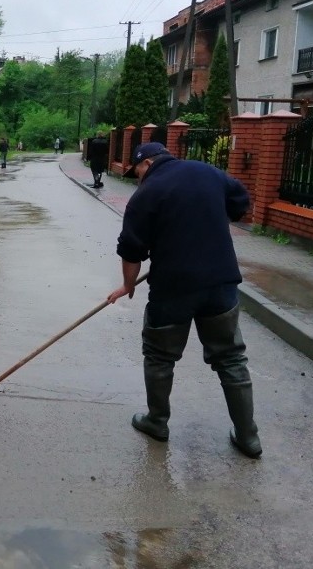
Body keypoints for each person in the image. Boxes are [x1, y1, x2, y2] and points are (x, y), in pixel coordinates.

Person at [106, 142, 262, 458]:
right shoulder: (208, 172)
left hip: (172, 289)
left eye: (137, 171)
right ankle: (249, 438)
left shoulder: (146, 194)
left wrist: (127, 285)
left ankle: (157, 422)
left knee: (160, 356)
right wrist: (210, 222)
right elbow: (241, 200)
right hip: (220, 285)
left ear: (146, 164)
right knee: (231, 359)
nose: (137, 178)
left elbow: (131, 249)